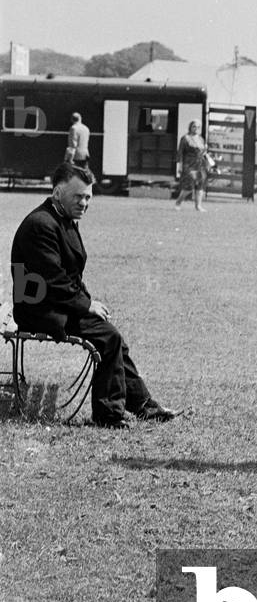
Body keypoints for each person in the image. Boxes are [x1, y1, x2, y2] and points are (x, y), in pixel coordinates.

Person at [11, 163, 179, 429]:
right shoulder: (41, 225)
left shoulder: (61, 218)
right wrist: (86, 305)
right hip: (39, 310)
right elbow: (52, 280)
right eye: (78, 196)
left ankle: (143, 405)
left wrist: (85, 303)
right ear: (57, 193)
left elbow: (67, 277)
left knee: (113, 338)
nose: (84, 202)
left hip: (53, 303)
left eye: (88, 197)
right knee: (109, 338)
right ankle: (108, 414)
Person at [175, 120, 209, 211]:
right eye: (194, 126)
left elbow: (203, 152)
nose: (196, 128)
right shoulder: (185, 138)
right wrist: (180, 165)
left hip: (199, 164)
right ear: (190, 127)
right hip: (189, 164)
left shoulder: (201, 139)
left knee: (200, 185)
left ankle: (198, 206)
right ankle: (178, 202)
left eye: (198, 127)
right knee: (189, 187)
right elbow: (180, 153)